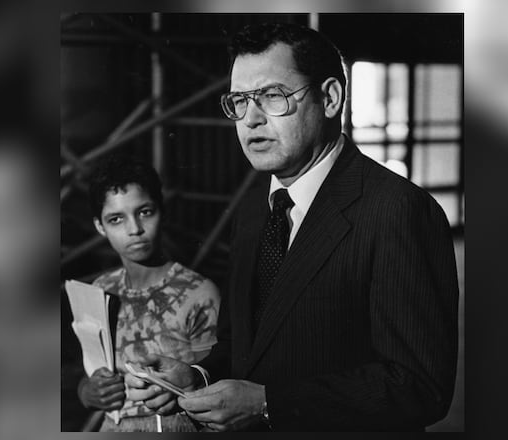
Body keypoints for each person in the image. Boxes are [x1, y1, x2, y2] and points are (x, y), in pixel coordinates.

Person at [131, 22, 459, 431]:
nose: (250, 120)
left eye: (272, 97)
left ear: (330, 98)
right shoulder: (253, 206)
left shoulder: (399, 210)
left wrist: (270, 403)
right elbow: (249, 346)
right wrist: (196, 377)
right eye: (239, 100)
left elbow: (421, 387)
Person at [75, 153, 221, 432]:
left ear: (161, 210)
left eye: (144, 212)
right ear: (99, 226)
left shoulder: (197, 293)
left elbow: (215, 381)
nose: (135, 229)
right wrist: (88, 392)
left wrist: (181, 395)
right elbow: (92, 373)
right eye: (116, 219)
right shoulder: (99, 292)